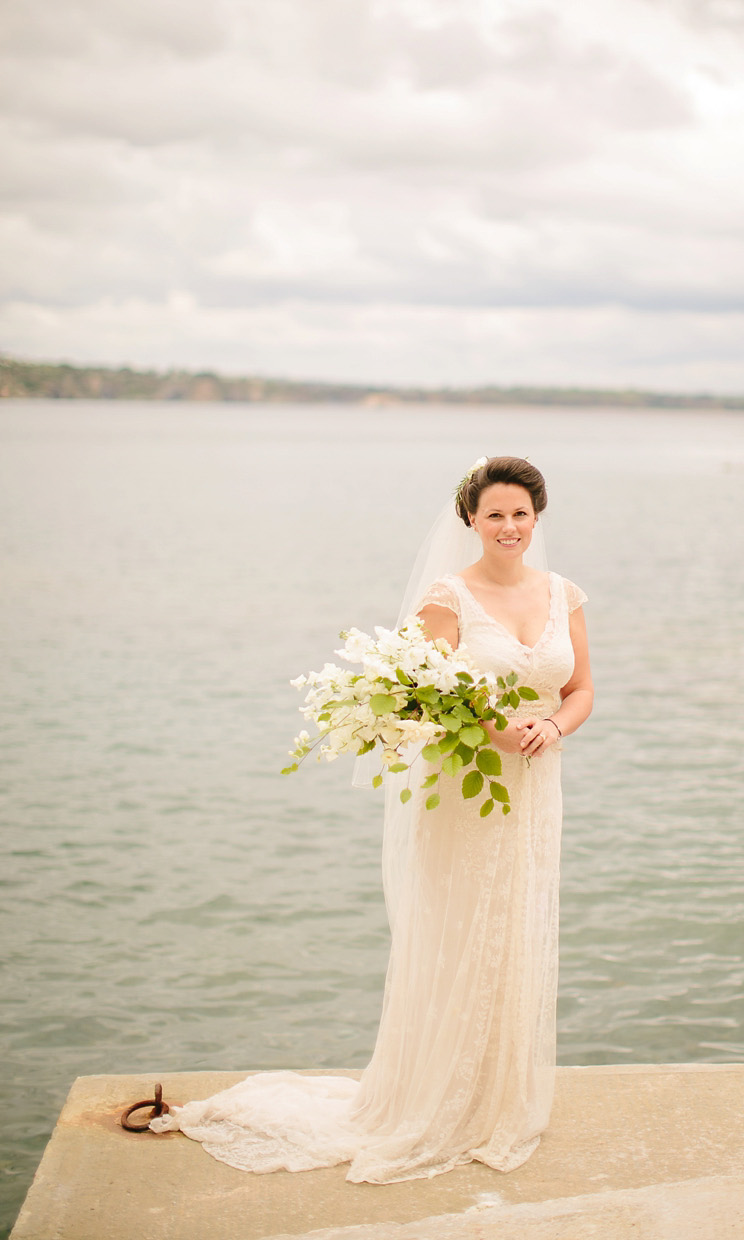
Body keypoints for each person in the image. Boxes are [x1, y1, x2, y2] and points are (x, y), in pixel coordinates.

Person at [151, 455, 592, 1184]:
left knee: (516, 924)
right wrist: (490, 731)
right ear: (471, 521)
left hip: (536, 783)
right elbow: (417, 695)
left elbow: (580, 689)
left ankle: (497, 1099)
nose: (509, 527)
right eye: (494, 515)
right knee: (460, 928)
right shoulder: (449, 597)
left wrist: (556, 727)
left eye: (520, 513)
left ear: (537, 517)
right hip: (469, 787)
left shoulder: (563, 595)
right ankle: (438, 1100)